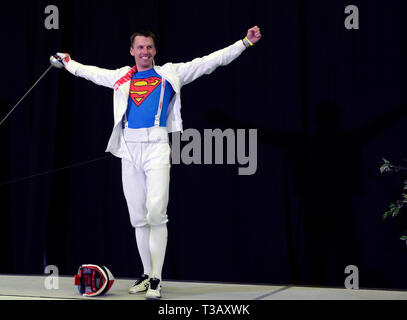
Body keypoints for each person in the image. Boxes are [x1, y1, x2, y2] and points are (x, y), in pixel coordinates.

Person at [55, 25, 261, 299]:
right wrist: (68, 63)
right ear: (132, 51)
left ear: (155, 50)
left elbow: (210, 62)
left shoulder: (170, 73)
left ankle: (156, 279)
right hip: (129, 149)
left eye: (149, 47)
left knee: (155, 211)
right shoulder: (120, 78)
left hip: (157, 148)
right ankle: (145, 273)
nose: (145, 51)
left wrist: (244, 43)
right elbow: (91, 73)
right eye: (140, 47)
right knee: (138, 218)